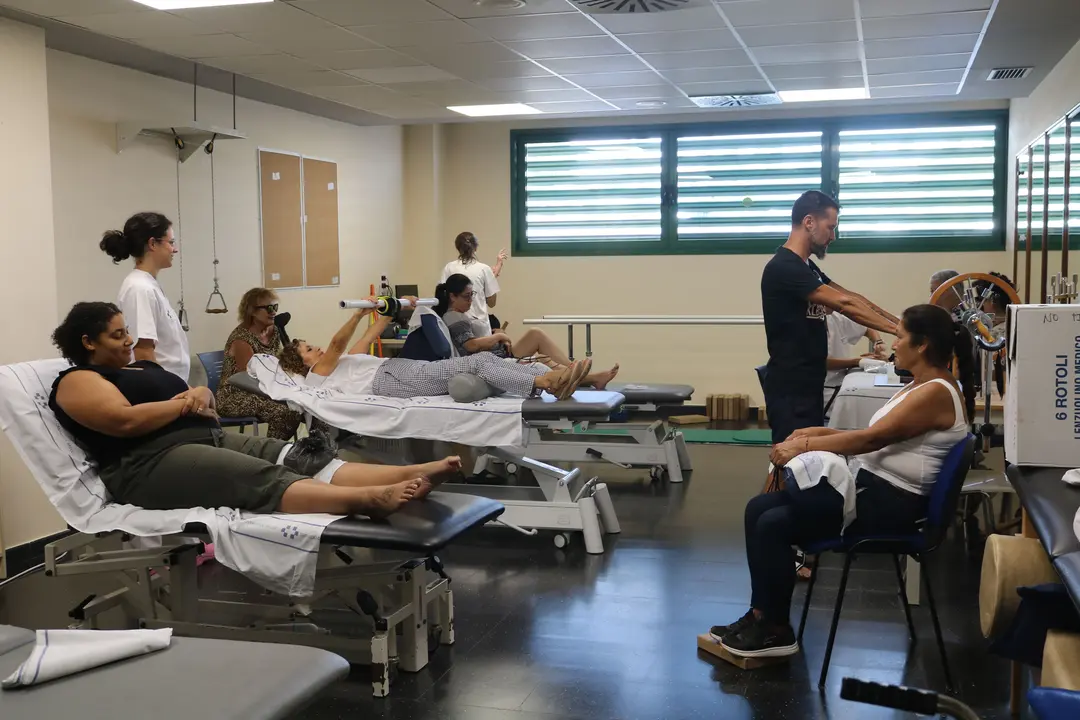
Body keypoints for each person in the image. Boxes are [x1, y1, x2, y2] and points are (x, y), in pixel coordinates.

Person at [713, 304, 974, 658]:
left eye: (899, 337)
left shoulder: (935, 392)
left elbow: (870, 442)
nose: (893, 344)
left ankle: (775, 629)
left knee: (773, 523)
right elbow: (875, 435)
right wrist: (820, 432)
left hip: (893, 506)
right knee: (757, 508)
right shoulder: (921, 385)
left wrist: (804, 446)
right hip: (877, 491)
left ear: (922, 344)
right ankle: (762, 614)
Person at [48, 302, 462, 517]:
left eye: (127, 333)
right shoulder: (77, 381)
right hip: (149, 463)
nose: (128, 341)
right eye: (118, 335)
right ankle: (369, 498)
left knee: (302, 455)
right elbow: (123, 421)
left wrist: (200, 397)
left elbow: (199, 395)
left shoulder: (140, 366)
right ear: (88, 342)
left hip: (202, 436)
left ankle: (410, 472)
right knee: (262, 476)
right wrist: (183, 406)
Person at [760, 190, 899, 446]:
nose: (833, 236)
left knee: (809, 460)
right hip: (790, 388)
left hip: (811, 384)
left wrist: (900, 324)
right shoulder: (784, 267)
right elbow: (844, 304)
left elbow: (851, 296)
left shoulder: (807, 267)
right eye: (831, 227)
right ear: (809, 222)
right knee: (791, 458)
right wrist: (900, 332)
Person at [279, 300, 591, 401]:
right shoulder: (316, 377)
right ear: (300, 364)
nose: (316, 348)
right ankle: (544, 382)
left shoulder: (342, 363)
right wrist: (357, 314)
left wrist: (395, 306)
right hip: (389, 382)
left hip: (396, 369)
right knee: (477, 363)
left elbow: (372, 333)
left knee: (481, 359)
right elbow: (337, 344)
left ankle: (554, 375)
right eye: (308, 349)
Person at [430, 274, 621, 389]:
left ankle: (592, 378)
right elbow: (470, 345)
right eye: (466, 297)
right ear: (452, 297)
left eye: (472, 296)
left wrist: (495, 334)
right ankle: (579, 370)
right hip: (496, 360)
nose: (470, 301)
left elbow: (474, 339)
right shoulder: (453, 317)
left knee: (547, 361)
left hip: (497, 354)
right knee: (536, 335)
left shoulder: (461, 314)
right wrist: (498, 336)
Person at [100, 212, 190, 382]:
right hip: (162, 391)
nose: (175, 249)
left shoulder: (149, 285)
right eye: (171, 242)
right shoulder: (139, 288)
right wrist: (171, 390)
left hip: (172, 386)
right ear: (153, 244)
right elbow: (143, 353)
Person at [215, 288, 304, 440]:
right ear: (252, 311)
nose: (273, 312)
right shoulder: (242, 339)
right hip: (236, 395)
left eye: (275, 307)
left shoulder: (274, 331)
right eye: (268, 308)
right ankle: (270, 455)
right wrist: (281, 394)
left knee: (306, 406)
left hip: (265, 388)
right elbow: (247, 380)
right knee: (285, 413)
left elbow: (280, 364)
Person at [439, 232, 506, 329]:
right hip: (479, 326)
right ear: (476, 247)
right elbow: (492, 303)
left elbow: (442, 296)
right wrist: (492, 278)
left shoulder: (449, 268)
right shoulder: (484, 269)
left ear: (457, 247)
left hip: (453, 325)